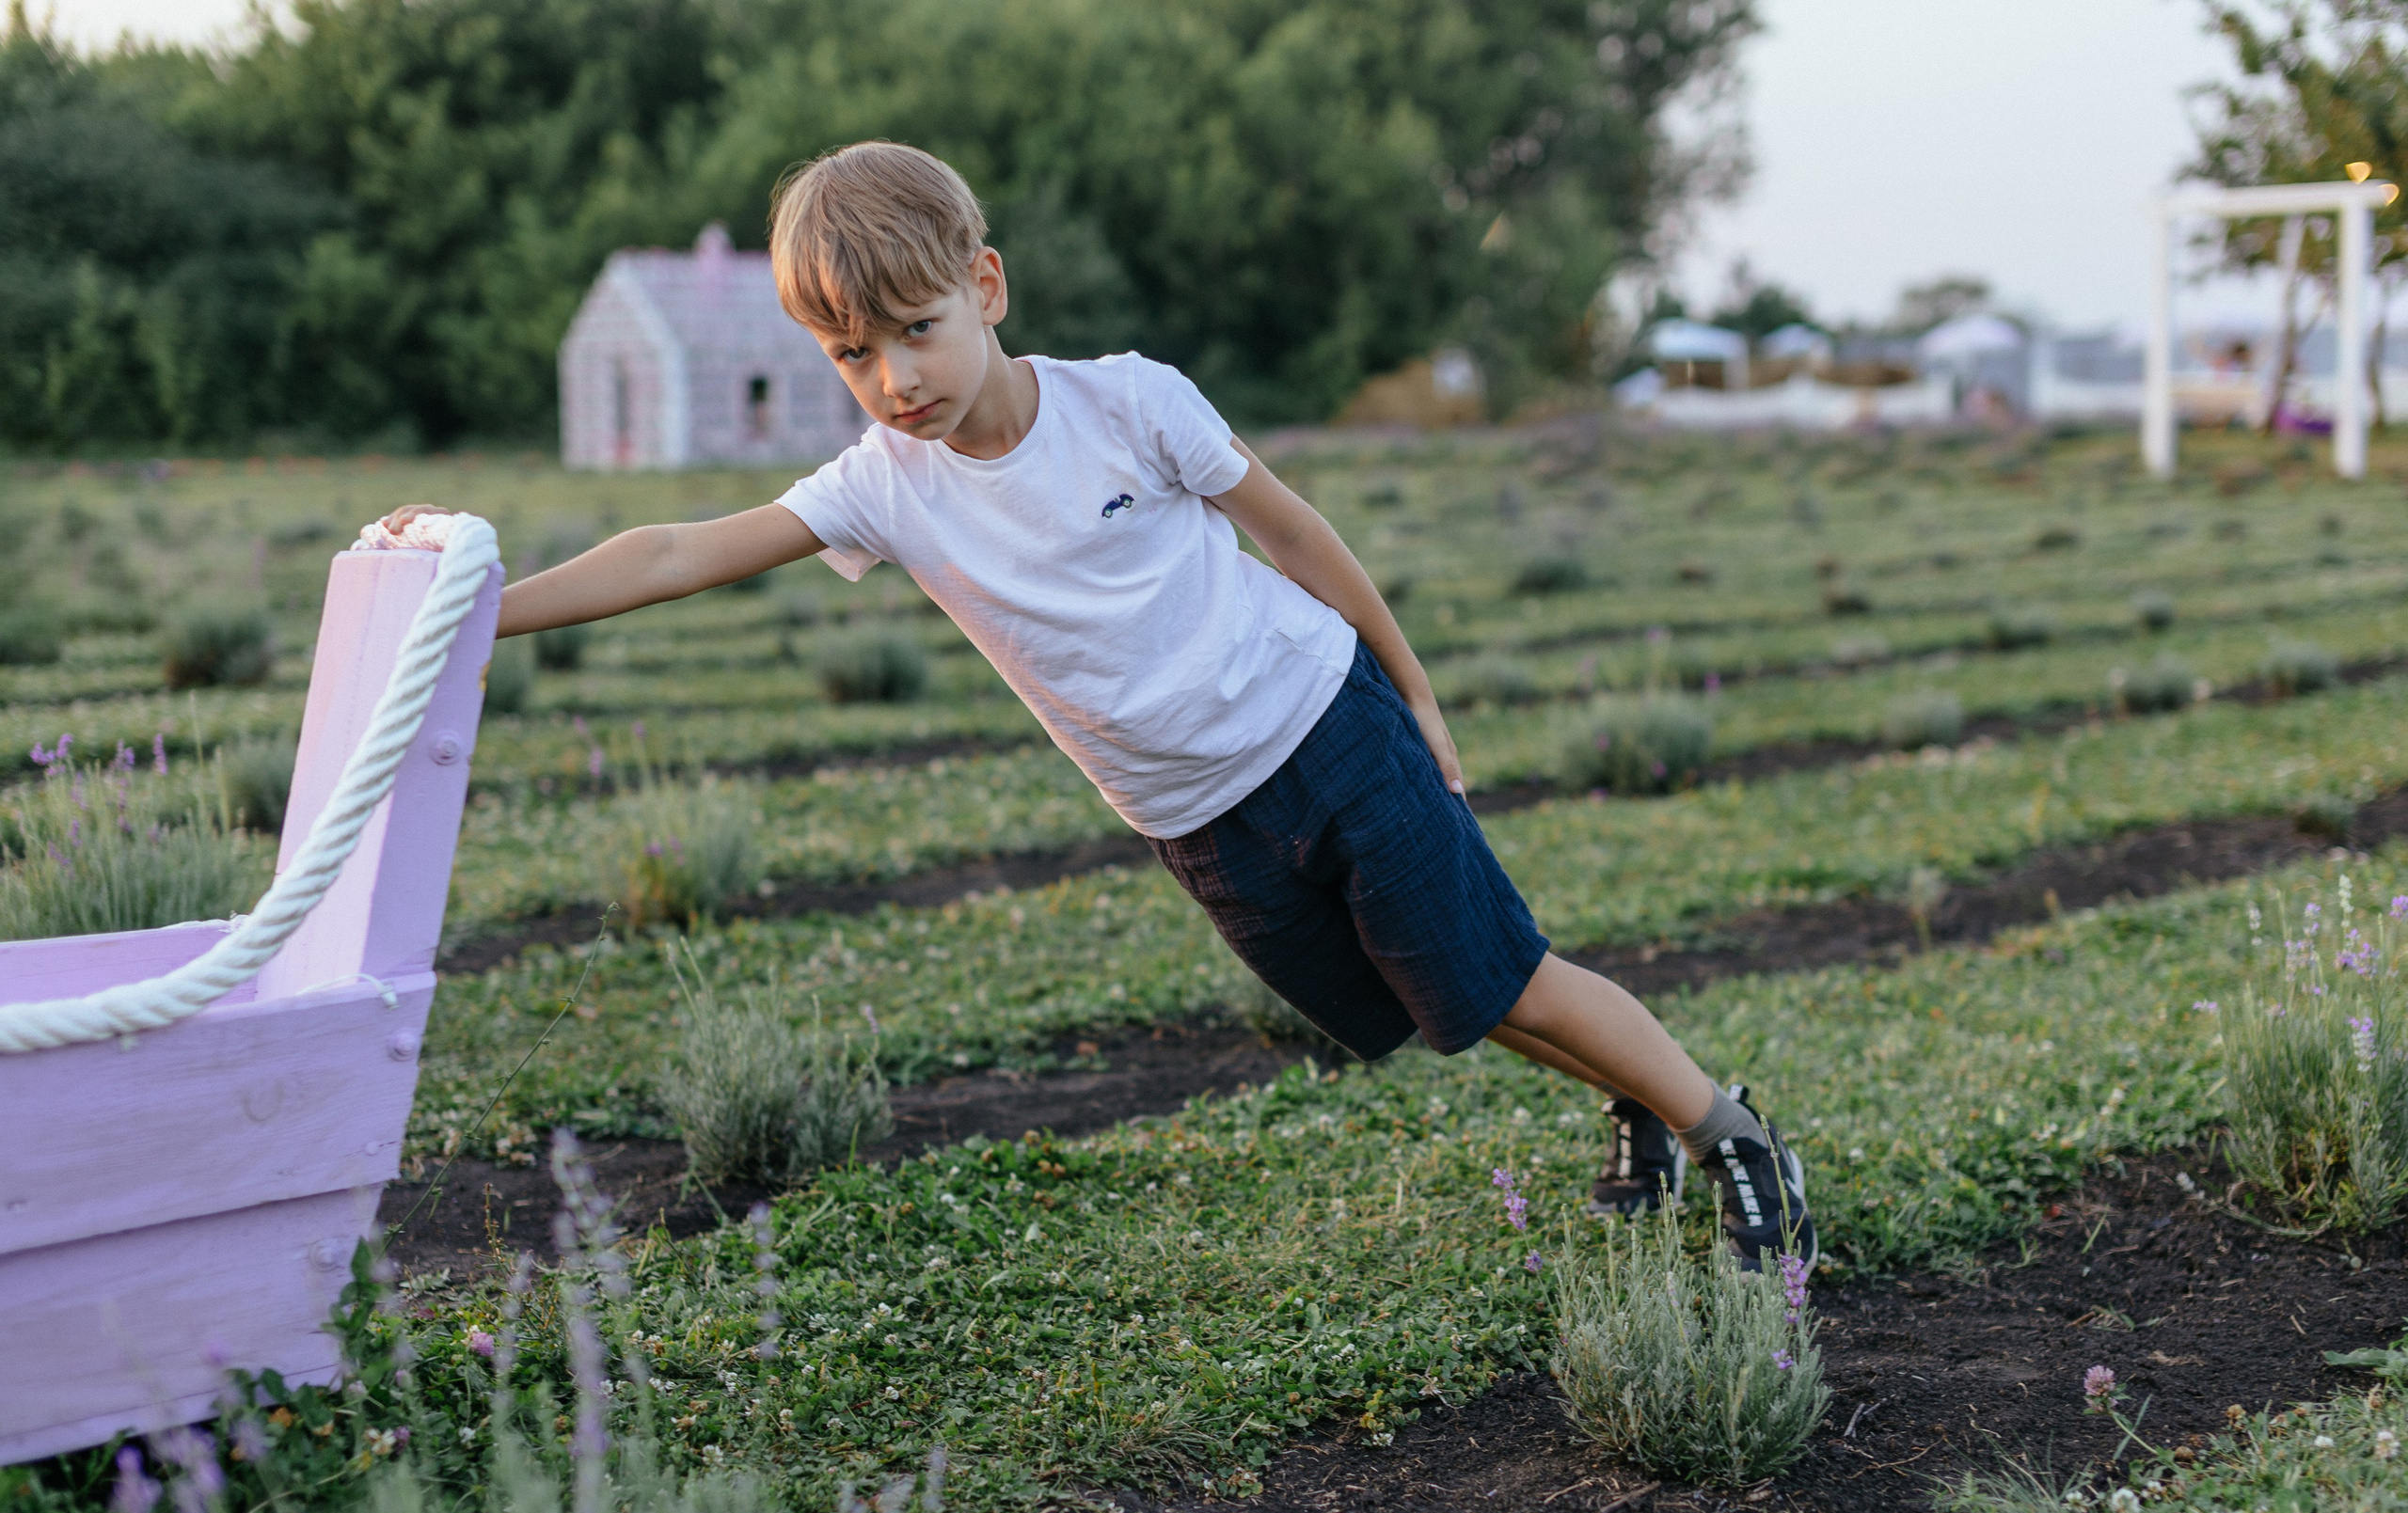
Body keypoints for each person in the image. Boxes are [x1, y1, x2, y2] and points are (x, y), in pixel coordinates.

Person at [381, 141, 1813, 1271]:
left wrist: (1414, 691)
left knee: (1506, 971)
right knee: (1442, 1000)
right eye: (850, 357)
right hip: (1197, 819)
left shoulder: (1128, 404)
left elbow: (1299, 538)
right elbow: (684, 550)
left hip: (1325, 730)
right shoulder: (885, 485)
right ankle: (1633, 1097)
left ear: (987, 286)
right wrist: (477, 609)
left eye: (918, 333)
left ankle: (1729, 1132)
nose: (894, 382)